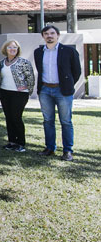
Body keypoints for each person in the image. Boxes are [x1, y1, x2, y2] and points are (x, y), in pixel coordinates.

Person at [35, 25, 81, 161]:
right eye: (46, 34)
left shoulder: (69, 51)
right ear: (43, 36)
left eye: (52, 33)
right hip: (45, 90)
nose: (49, 36)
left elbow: (76, 72)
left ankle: (67, 151)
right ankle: (50, 148)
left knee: (66, 121)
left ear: (58, 35)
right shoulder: (38, 52)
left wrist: (67, 85)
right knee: (48, 120)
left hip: (63, 91)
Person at [0, 40, 34, 153]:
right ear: (5, 49)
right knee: (8, 117)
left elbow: (31, 78)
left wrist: (28, 91)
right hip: (4, 92)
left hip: (19, 94)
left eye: (15, 47)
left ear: (18, 49)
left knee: (16, 117)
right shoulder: (1, 62)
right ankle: (12, 142)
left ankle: (21, 143)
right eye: (9, 47)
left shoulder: (24, 62)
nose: (12, 49)